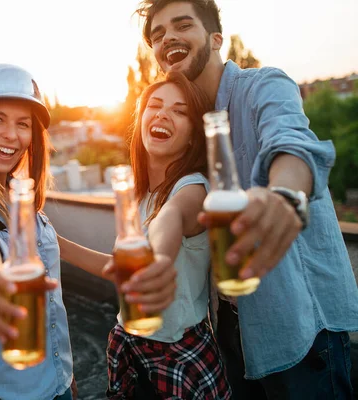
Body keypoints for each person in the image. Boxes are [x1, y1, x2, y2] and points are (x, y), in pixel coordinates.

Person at [135, 1, 358, 399]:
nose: (167, 37)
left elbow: (291, 143)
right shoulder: (188, 124)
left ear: (216, 39)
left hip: (300, 327)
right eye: (157, 34)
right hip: (232, 332)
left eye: (182, 25)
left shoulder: (263, 85)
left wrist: (285, 195)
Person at [0, 63, 177, 400]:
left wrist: (115, 268)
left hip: (55, 386)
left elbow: (52, 246)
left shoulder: (16, 194)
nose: (11, 135)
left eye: (23, 124)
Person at [60, 72, 231, 399]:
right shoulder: (139, 197)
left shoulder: (193, 188)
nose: (164, 114)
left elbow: (171, 219)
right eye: (155, 105)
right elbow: (122, 267)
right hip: (131, 350)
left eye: (180, 111)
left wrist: (159, 261)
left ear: (194, 136)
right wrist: (56, 246)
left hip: (179, 359)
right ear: (140, 121)